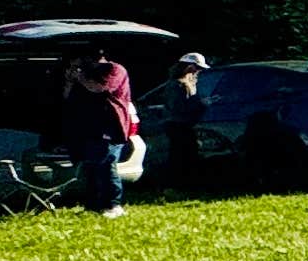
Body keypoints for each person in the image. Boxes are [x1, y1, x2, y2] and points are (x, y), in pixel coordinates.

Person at [59, 49, 139, 219]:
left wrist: (80, 77)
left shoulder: (114, 69)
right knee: (90, 166)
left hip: (110, 125)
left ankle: (113, 205)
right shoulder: (84, 74)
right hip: (89, 126)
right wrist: (70, 80)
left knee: (107, 164)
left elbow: (99, 88)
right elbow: (67, 96)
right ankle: (93, 205)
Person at [153, 53, 210, 193]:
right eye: (197, 68)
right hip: (178, 126)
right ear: (189, 67)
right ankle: (173, 186)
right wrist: (201, 103)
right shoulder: (177, 85)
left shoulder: (180, 83)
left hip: (181, 125)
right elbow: (179, 108)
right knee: (180, 156)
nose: (198, 72)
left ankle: (180, 185)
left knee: (183, 155)